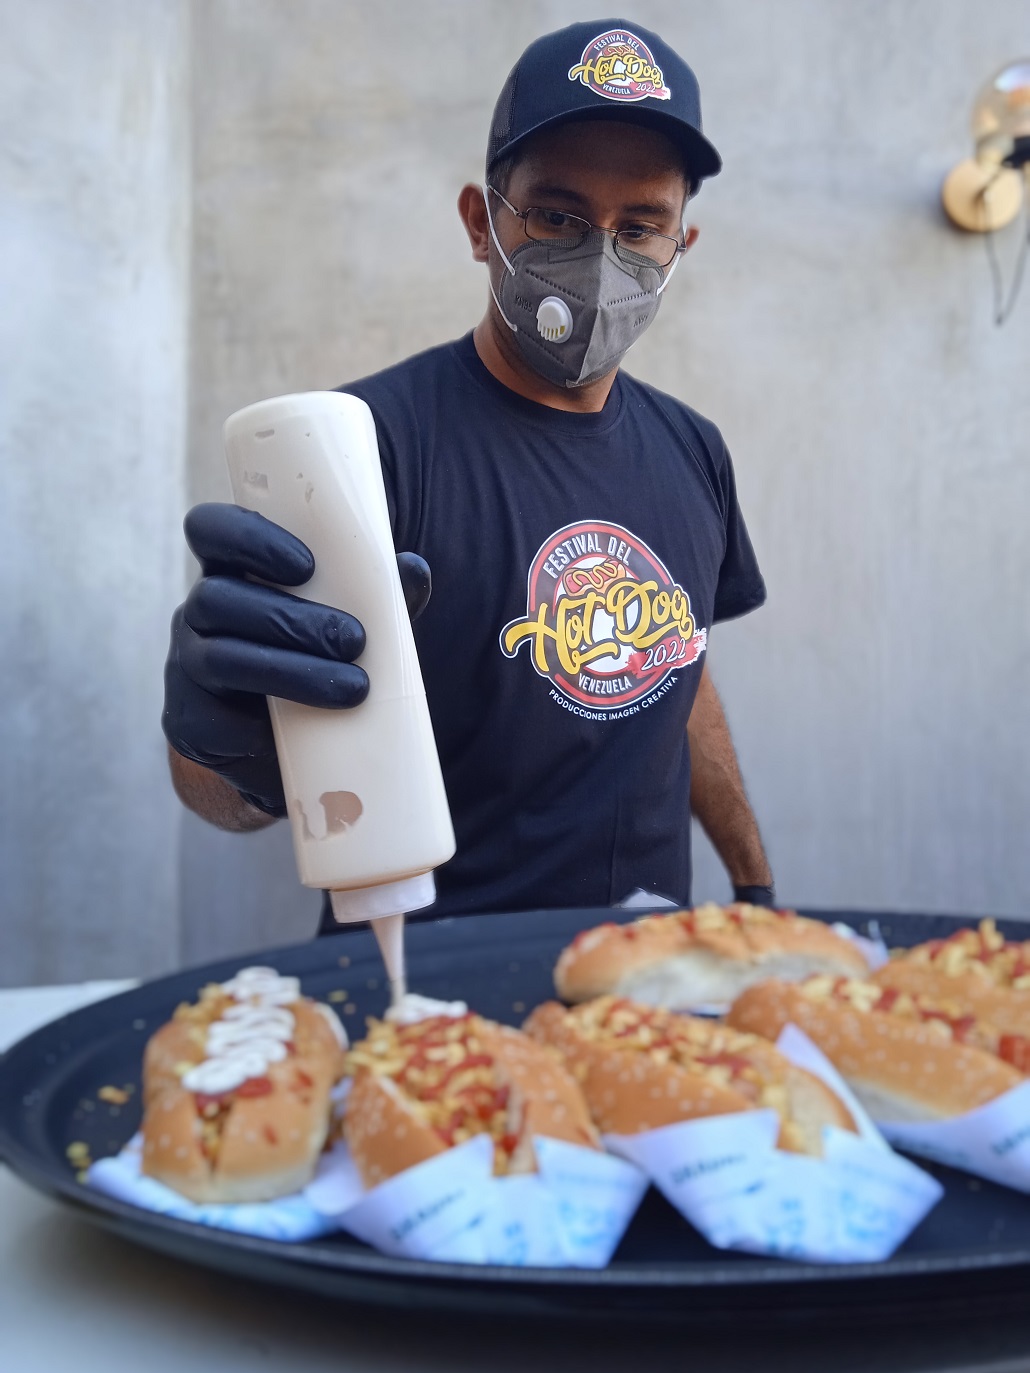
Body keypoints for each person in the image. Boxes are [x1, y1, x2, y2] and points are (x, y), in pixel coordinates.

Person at [162, 19, 775, 930]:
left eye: (639, 224)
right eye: (559, 215)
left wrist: (755, 884)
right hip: (429, 988)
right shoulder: (359, 449)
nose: (599, 255)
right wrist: (223, 743)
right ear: (480, 222)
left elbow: (679, 676)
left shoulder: (694, 451)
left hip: (644, 978)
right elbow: (229, 786)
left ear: (678, 246)